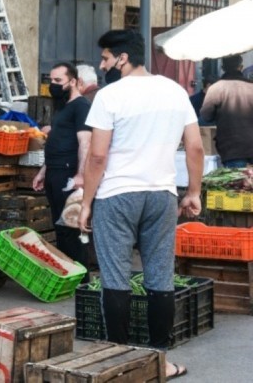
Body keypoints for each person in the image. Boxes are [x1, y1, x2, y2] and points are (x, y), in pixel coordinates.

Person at [78, 29, 202, 380]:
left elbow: (98, 156)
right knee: (159, 278)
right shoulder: (175, 91)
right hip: (162, 195)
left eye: (105, 58)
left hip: (117, 195)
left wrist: (86, 203)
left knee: (115, 278)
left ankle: (121, 362)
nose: (102, 65)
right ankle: (159, 361)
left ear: (122, 58)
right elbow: (194, 147)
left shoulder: (110, 95)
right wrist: (193, 192)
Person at [32, 63, 91, 267]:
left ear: (73, 81)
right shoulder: (63, 108)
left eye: (58, 81)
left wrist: (80, 175)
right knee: (60, 225)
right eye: (51, 81)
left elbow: (85, 142)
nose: (53, 85)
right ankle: (67, 270)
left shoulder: (81, 106)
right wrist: (43, 171)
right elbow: (57, 142)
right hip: (54, 172)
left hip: (68, 173)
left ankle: (80, 276)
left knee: (71, 227)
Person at [200, 55, 253, 167]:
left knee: (238, 183)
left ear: (223, 68)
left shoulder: (216, 88)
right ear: (241, 67)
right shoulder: (251, 87)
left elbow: (206, 116)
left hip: (231, 148)